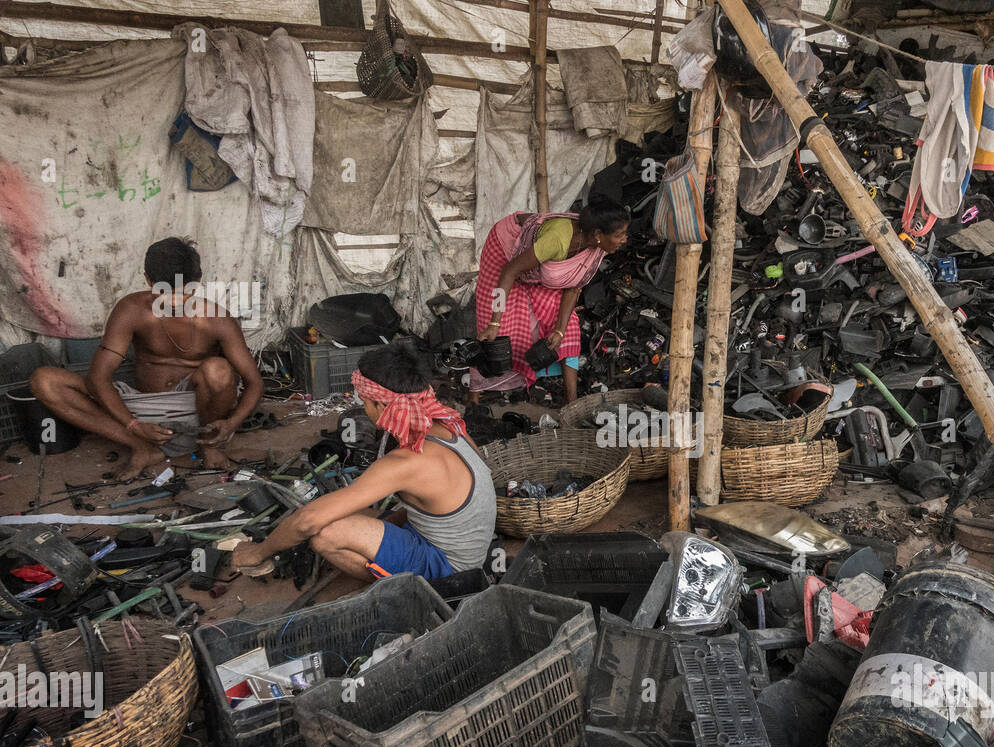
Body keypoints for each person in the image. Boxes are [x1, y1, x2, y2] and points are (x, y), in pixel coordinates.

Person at [230, 340, 496, 582]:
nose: (362, 407)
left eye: (364, 400)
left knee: (325, 533)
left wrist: (258, 552)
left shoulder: (406, 463)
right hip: (462, 548)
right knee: (339, 512)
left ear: (382, 405)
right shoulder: (448, 426)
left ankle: (409, 589)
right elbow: (437, 509)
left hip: (449, 569)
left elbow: (307, 521)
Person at [27, 237, 264, 478]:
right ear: (148, 281)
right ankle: (142, 447)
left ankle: (210, 447)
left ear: (198, 281)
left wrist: (231, 424)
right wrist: (133, 425)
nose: (173, 302)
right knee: (44, 380)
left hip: (199, 414)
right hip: (140, 411)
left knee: (218, 369)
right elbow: (98, 378)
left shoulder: (218, 319)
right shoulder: (131, 309)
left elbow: (255, 383)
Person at [472, 195, 630, 404]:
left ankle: (571, 402)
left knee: (570, 327)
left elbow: (573, 288)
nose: (624, 240)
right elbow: (509, 272)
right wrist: (494, 322)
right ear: (598, 234)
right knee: (496, 330)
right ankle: (473, 399)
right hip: (507, 249)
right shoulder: (557, 240)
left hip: (540, 264)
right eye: (620, 235)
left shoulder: (594, 247)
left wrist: (559, 330)